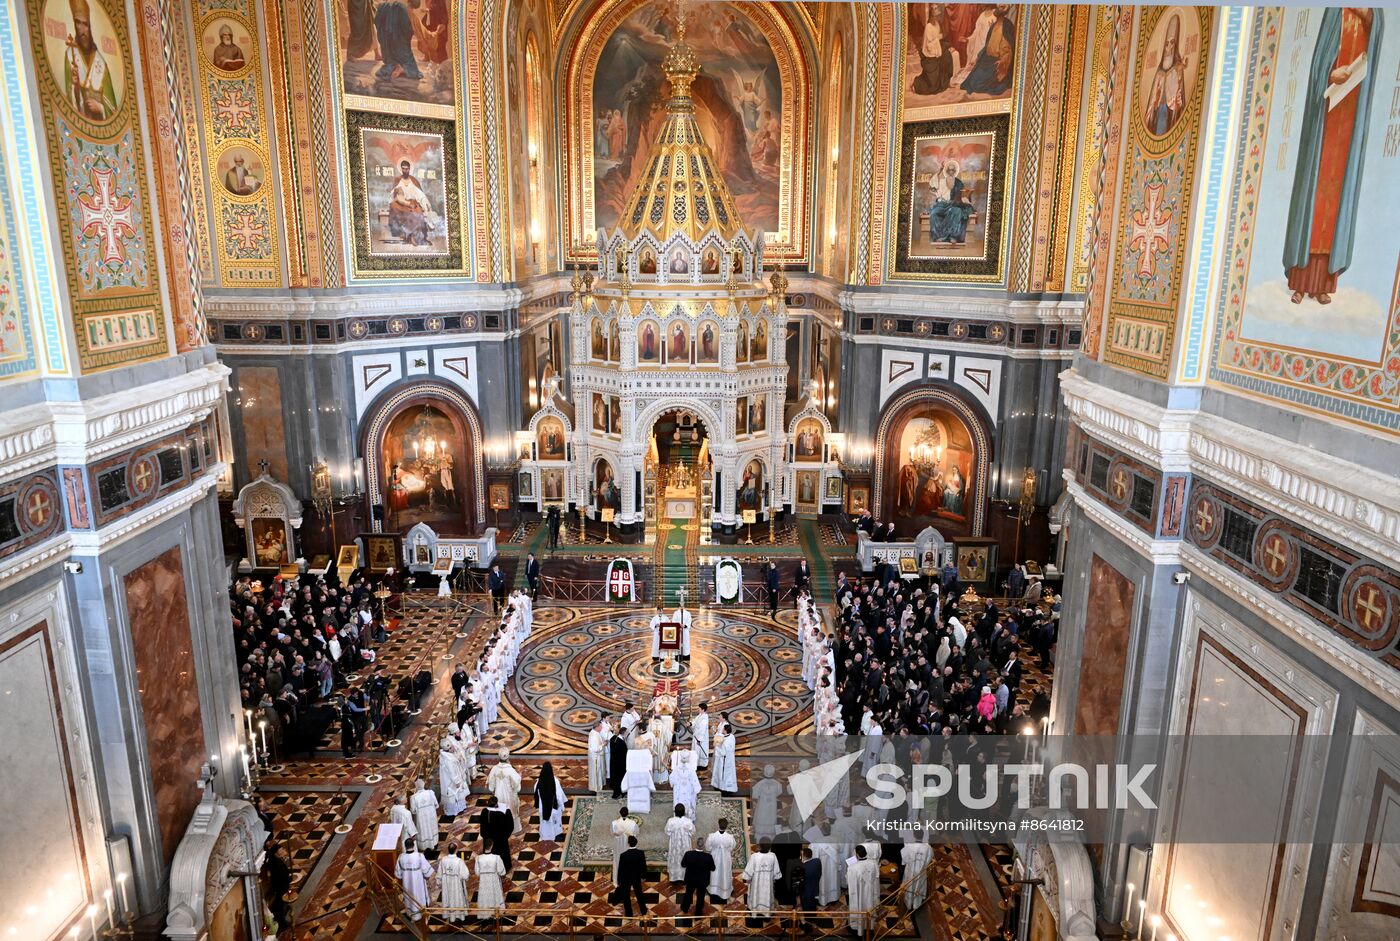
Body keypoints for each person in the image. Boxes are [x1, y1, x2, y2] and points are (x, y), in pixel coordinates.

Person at [62, 0, 119, 122]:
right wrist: (75, 87)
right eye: (78, 23)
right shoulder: (70, 56)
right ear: (74, 25)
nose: (82, 29)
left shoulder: (101, 62)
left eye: (85, 24)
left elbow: (113, 107)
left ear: (90, 27)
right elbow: (68, 102)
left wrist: (101, 108)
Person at [394, 837, 433, 922]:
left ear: (405, 846)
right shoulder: (419, 856)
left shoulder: (401, 857)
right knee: (420, 898)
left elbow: (398, 875)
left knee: (410, 899)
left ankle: (412, 915)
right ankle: (422, 914)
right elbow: (427, 872)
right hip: (419, 884)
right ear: (413, 845)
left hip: (407, 885)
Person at [742, 838, 782, 916]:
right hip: (768, 885)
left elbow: (747, 875)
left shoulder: (754, 856)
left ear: (759, 846)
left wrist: (747, 879)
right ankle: (766, 913)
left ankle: (755, 911)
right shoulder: (773, 856)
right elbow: (777, 875)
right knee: (767, 897)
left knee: (755, 897)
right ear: (770, 846)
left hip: (756, 885)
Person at [487, 749, 523, 833]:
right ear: (508, 758)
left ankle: (501, 829)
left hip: (498, 795)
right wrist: (520, 777)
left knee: (500, 812)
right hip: (509, 796)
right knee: (511, 812)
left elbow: (491, 787)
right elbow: (517, 787)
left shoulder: (494, 769)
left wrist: (493, 788)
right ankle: (512, 829)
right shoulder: (511, 770)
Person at [845, 845, 880, 933]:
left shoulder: (852, 867)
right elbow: (876, 877)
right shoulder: (874, 863)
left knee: (859, 907)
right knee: (869, 906)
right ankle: (869, 926)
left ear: (857, 854)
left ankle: (858, 927)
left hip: (858, 893)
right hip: (870, 892)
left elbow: (849, 882)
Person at [473, 840, 507, 920]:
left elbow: (477, 873)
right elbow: (502, 872)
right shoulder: (496, 858)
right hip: (494, 881)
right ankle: (496, 913)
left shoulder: (478, 858)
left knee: (485, 896)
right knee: (495, 896)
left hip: (483, 882)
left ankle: (485, 914)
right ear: (491, 846)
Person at [477, 795, 514, 870]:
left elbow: (482, 825)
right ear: (496, 804)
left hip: (488, 838)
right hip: (501, 839)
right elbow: (510, 825)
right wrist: (506, 836)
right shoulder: (502, 813)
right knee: (502, 854)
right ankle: (504, 867)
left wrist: (485, 836)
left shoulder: (484, 811)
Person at [437, 842, 470, 922]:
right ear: (456, 850)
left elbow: (439, 874)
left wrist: (439, 882)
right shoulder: (459, 861)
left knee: (448, 898)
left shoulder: (443, 860)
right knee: (457, 898)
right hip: (456, 885)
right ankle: (459, 915)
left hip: (447, 885)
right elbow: (465, 875)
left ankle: (450, 915)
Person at [616, 835, 649, 917]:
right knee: (639, 894)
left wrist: (619, 881)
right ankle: (643, 910)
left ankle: (629, 914)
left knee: (626, 896)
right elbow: (643, 866)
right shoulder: (640, 853)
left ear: (628, 843)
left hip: (626, 878)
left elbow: (620, 869)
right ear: (636, 843)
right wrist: (644, 876)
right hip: (636, 877)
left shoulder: (623, 855)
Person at [706, 818, 737, 902]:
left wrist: (714, 849)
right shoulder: (730, 837)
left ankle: (713, 890)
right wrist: (725, 850)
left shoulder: (712, 836)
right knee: (725, 872)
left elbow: (708, 848)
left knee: (714, 872)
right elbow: (732, 847)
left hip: (715, 857)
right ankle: (725, 891)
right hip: (726, 858)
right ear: (726, 826)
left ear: (718, 825)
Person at [534, 761, 566, 842]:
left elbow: (536, 794)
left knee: (545, 823)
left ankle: (545, 835)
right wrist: (562, 806)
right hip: (553, 807)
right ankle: (554, 834)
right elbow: (559, 796)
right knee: (554, 822)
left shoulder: (538, 782)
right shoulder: (555, 781)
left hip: (543, 808)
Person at [665, 803, 695, 882]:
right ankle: (685, 877)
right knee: (685, 857)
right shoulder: (688, 821)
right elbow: (692, 832)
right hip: (685, 844)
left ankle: (674, 877)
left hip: (674, 844)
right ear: (684, 812)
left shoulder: (671, 821)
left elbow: (667, 832)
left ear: (675, 812)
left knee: (675, 858)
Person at [900, 838, 934, 909]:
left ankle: (908, 903)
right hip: (921, 871)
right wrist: (923, 866)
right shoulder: (928, 847)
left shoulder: (909, 845)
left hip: (910, 871)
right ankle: (916, 903)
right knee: (919, 885)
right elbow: (929, 859)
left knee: (909, 885)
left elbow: (905, 859)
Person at [752, 765, 782, 841]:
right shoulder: (778, 784)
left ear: (764, 772)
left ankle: (760, 838)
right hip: (772, 807)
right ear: (773, 773)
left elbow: (755, 795)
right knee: (771, 819)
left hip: (762, 806)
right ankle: (770, 839)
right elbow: (779, 792)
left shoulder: (759, 784)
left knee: (762, 818)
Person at [670, 744, 701, 818]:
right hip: (688, 789)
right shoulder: (691, 769)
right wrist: (696, 789)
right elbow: (695, 782)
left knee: (678, 801)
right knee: (689, 801)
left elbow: (671, 779)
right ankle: (689, 817)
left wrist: (674, 783)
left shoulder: (676, 768)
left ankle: (678, 816)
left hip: (679, 790)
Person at [410, 778, 440, 851]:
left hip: (421, 819)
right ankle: (434, 843)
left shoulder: (413, 797)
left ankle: (424, 846)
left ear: (416, 787)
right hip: (431, 816)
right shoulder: (430, 793)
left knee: (424, 831)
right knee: (432, 828)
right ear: (423, 785)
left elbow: (413, 811)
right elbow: (436, 805)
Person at [611, 807, 639, 882]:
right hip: (628, 845)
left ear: (620, 813)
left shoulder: (614, 823)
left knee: (618, 860)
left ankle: (617, 880)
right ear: (628, 813)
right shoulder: (633, 823)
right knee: (630, 862)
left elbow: (612, 833)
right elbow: (636, 833)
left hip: (618, 845)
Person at [710, 723, 737, 795]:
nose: (721, 729)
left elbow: (723, 752)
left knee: (723, 775)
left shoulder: (726, 742)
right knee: (728, 774)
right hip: (729, 760)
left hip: (724, 761)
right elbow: (721, 737)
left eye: (723, 729)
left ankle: (724, 788)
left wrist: (716, 746)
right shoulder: (731, 736)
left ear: (725, 730)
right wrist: (715, 734)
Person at [588, 719, 612, 794]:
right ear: (597, 727)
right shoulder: (593, 736)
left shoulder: (595, 732)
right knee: (597, 772)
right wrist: (603, 744)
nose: (602, 728)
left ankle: (600, 784)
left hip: (598, 756)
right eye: (601, 727)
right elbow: (595, 749)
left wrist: (603, 742)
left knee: (600, 771)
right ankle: (596, 787)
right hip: (596, 758)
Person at [608, 719, 630, 798]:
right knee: (620, 778)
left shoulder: (614, 739)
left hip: (615, 762)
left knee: (617, 778)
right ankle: (619, 792)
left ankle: (620, 791)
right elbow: (624, 753)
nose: (628, 734)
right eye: (627, 733)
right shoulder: (620, 742)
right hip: (620, 763)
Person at [799, 846, 822, 917]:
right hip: (815, 889)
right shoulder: (817, 861)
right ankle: (813, 915)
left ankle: (808, 920)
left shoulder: (802, 868)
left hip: (805, 893)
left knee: (806, 908)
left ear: (803, 857)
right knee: (813, 904)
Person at [691, 702, 710, 768]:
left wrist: (699, 739)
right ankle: (696, 764)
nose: (698, 709)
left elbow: (702, 729)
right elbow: (694, 722)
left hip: (700, 738)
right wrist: (690, 724)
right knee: (696, 750)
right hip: (696, 736)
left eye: (699, 708)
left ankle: (702, 765)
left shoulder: (705, 717)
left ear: (703, 709)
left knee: (700, 751)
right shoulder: (699, 716)